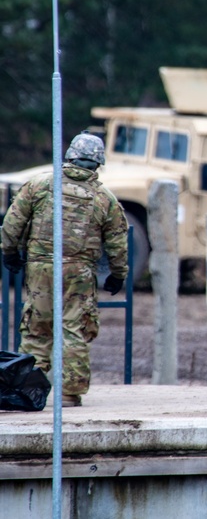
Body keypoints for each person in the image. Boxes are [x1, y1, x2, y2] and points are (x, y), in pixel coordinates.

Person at [0, 133, 129, 408]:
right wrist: (119, 273)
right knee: (74, 328)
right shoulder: (104, 197)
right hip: (79, 272)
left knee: (36, 327)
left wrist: (10, 252)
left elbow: (12, 223)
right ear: (98, 162)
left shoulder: (40, 184)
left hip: (40, 267)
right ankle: (69, 392)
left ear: (69, 156)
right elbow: (117, 241)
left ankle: (27, 388)